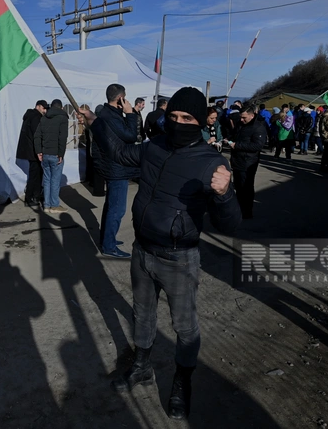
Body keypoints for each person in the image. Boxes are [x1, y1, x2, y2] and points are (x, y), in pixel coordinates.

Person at [83, 87, 241, 420]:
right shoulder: (153, 147)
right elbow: (119, 152)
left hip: (179, 258)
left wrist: (224, 193)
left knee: (185, 326)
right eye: (173, 117)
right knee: (142, 314)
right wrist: (96, 123)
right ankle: (141, 366)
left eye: (186, 118)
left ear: (199, 121)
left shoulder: (211, 162)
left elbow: (230, 225)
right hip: (143, 250)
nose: (178, 122)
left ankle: (183, 384)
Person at [91, 84, 140, 258]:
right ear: (121, 98)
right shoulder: (112, 117)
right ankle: (109, 245)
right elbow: (131, 136)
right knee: (117, 209)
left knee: (111, 206)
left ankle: (107, 239)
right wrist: (131, 114)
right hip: (116, 167)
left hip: (113, 165)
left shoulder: (106, 113)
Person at [226, 105, 267, 219]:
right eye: (241, 117)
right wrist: (229, 140)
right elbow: (235, 136)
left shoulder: (258, 128)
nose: (242, 120)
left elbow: (257, 146)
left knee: (246, 187)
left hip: (248, 162)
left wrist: (237, 145)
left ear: (252, 115)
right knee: (238, 186)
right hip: (237, 160)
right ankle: (238, 208)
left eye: (244, 117)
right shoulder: (240, 125)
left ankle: (247, 211)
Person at [34, 99, 69, 214]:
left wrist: (39, 151)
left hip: (45, 154)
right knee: (54, 180)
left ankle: (47, 205)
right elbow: (62, 137)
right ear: (61, 108)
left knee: (47, 179)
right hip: (55, 154)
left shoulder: (44, 118)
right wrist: (61, 154)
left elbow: (37, 136)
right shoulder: (62, 118)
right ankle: (54, 205)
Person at [16, 100, 48, 207]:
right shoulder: (35, 117)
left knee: (36, 173)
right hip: (34, 151)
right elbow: (37, 135)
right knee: (35, 174)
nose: (45, 110)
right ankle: (30, 197)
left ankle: (34, 195)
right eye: (43, 108)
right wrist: (40, 150)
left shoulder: (30, 116)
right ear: (38, 106)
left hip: (30, 150)